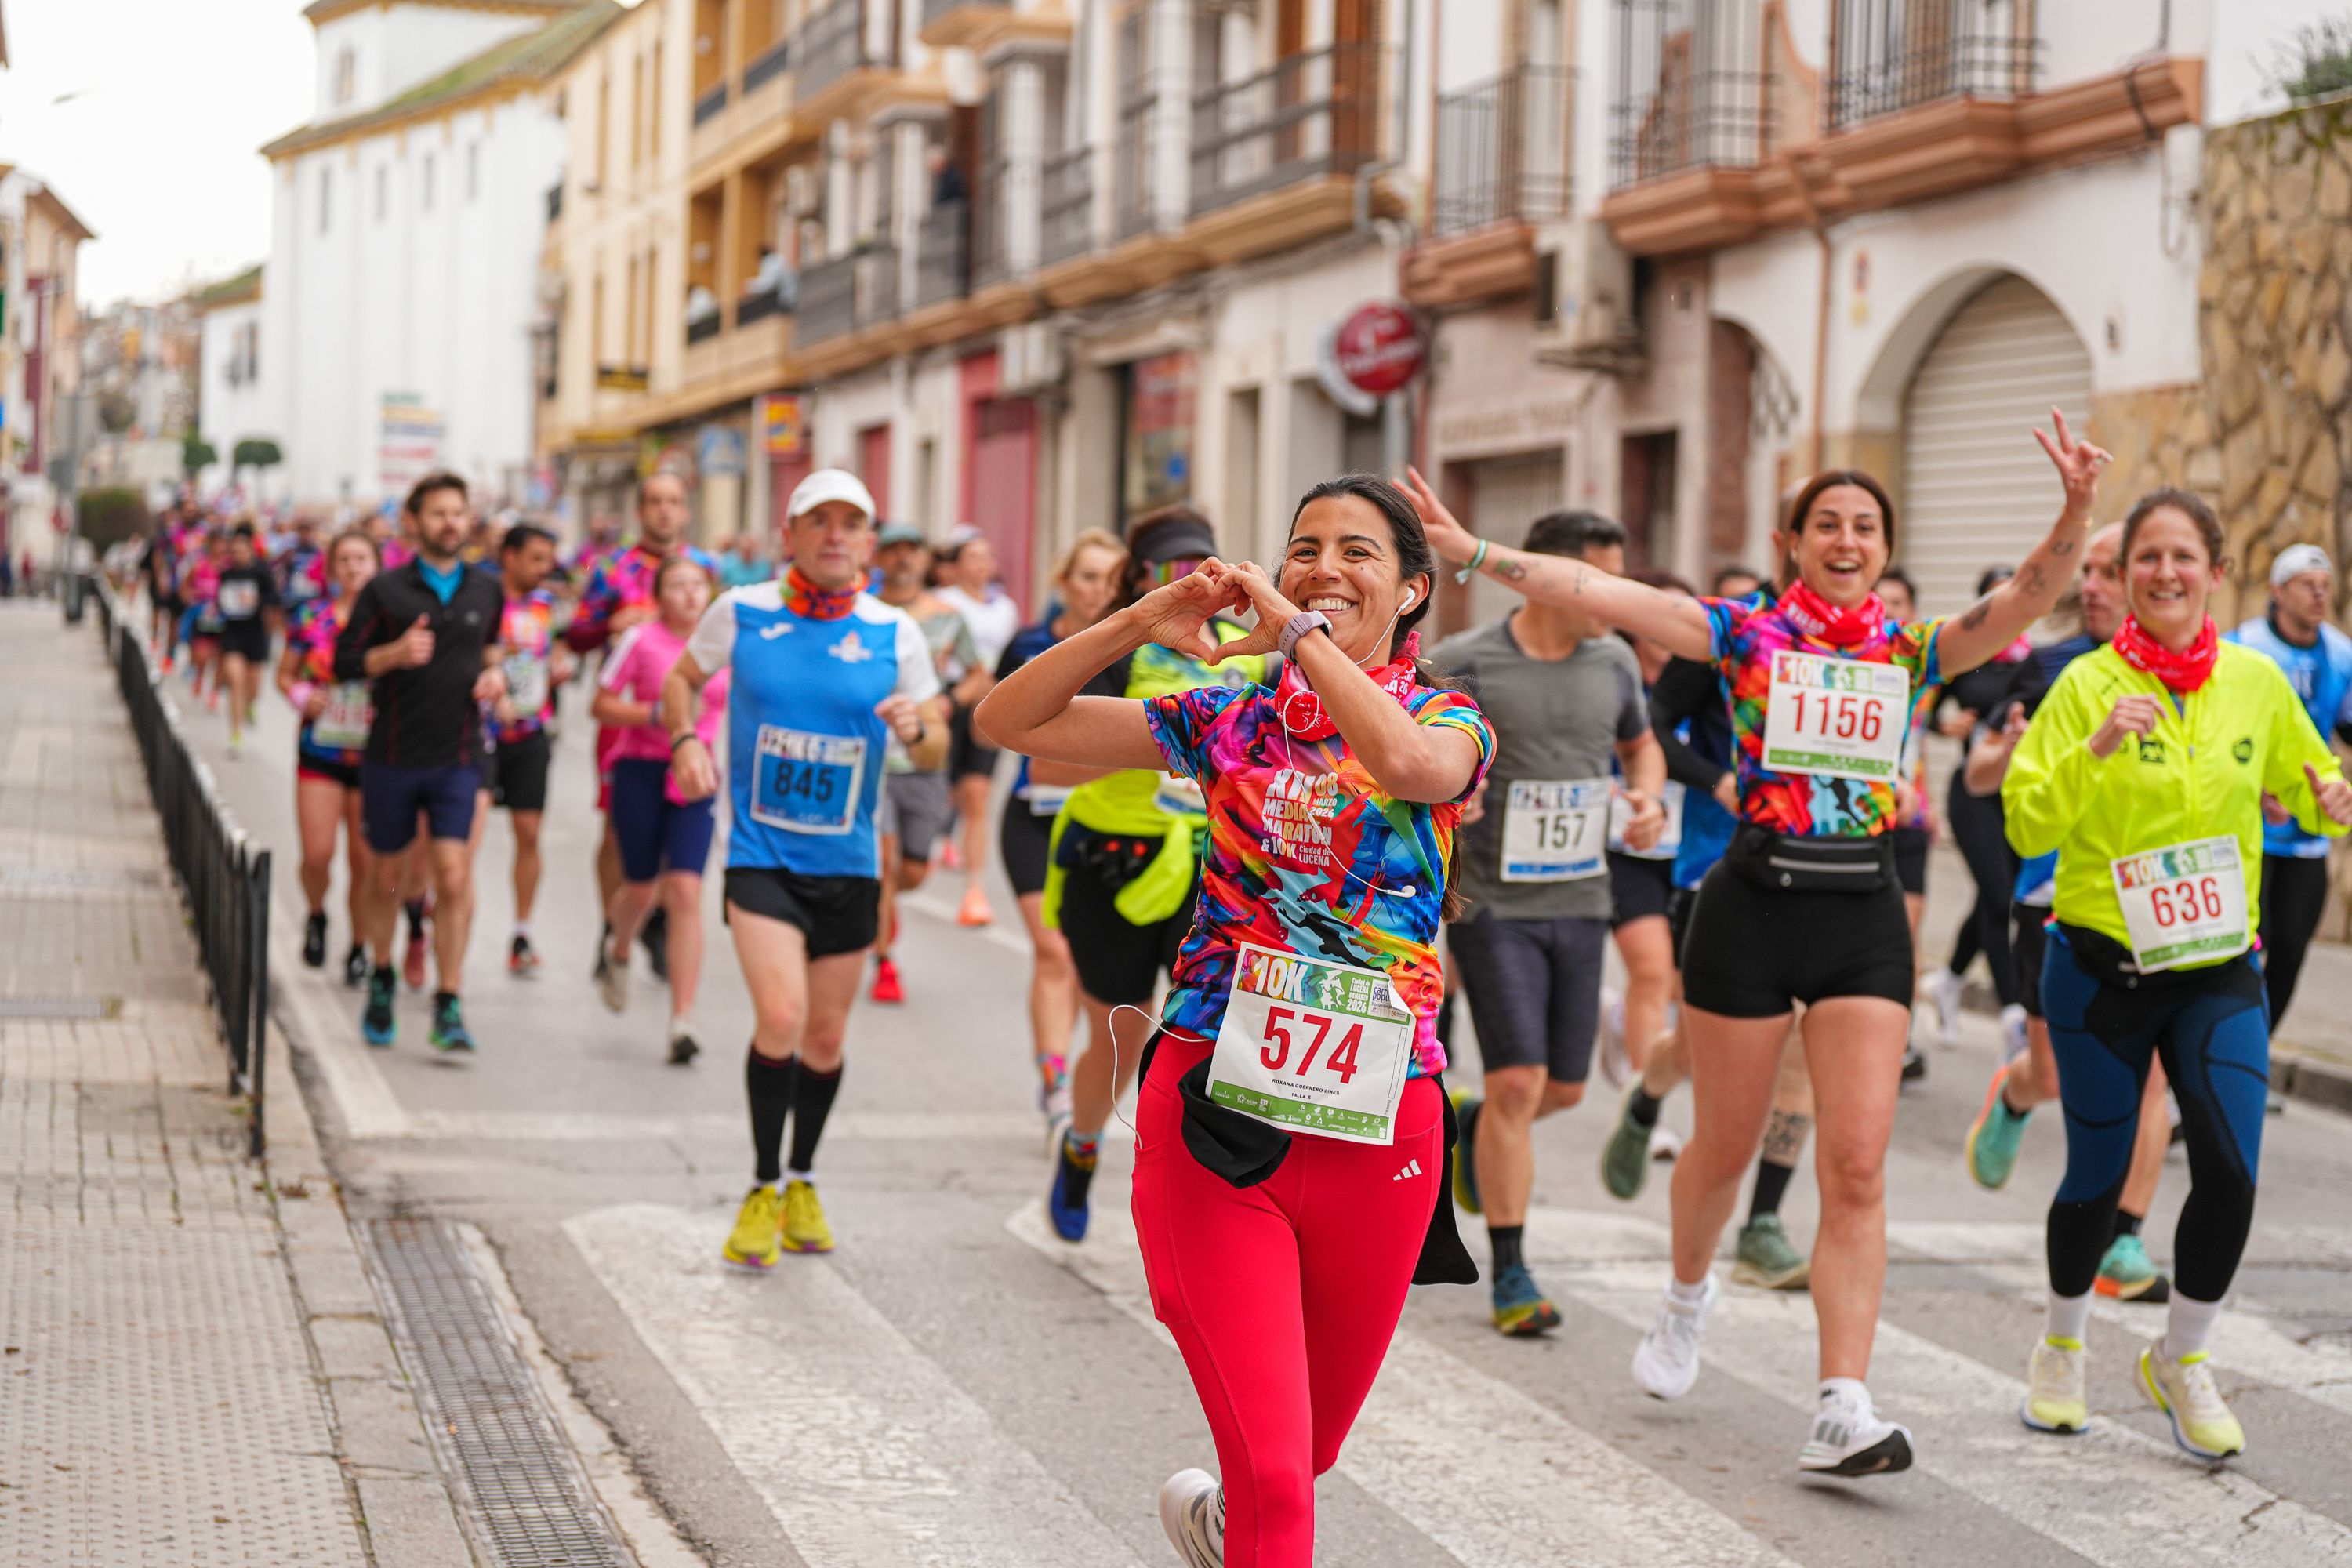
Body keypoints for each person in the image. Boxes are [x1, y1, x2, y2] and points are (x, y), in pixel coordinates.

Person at [1410, 409, 2107, 1477]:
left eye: (1865, 527)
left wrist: (2076, 508)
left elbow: (2025, 598)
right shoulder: (1743, 633)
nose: (1845, 540)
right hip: (1751, 907)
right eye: (1824, 523)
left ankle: (1843, 1404)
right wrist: (1474, 556)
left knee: (1858, 1164)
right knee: (1724, 1150)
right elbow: (1606, 595)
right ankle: (1686, 1297)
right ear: (1792, 544)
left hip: (1863, 916)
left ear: (1883, 550)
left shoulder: (1911, 646)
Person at [977, 474, 1491, 1568]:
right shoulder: (1227, 714)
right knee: (1275, 1482)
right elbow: (1008, 722)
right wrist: (1134, 622)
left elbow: (1405, 767)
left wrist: (1296, 637)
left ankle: (1224, 1529)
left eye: (1359, 552)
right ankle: (1246, 1519)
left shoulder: (1449, 719)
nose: (1323, 568)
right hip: (1219, 1114)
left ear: (1412, 591)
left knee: (1301, 1457)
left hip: (1380, 1123)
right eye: (1305, 548)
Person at [2002, 488, 2352, 1459]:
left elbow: (2313, 791)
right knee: (2097, 1174)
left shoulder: (2254, 684)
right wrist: (2098, 746)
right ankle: (2064, 1341)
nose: (2162, 574)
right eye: (2142, 558)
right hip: (2100, 968)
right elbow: (2027, 822)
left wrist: (2329, 796)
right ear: (2119, 577)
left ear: (2216, 570)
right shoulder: (2083, 688)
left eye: (2181, 557)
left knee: (2233, 1173)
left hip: (2217, 969)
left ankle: (2183, 1356)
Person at [663, 470, 947, 1265]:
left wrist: (917, 725)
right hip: (761, 856)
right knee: (781, 1019)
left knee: (824, 1035)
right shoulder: (743, 610)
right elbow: (681, 680)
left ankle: (802, 1176)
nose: (833, 534)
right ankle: (759, 1186)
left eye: (849, 522)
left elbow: (934, 745)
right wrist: (686, 740)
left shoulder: (896, 632)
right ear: (788, 535)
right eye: (816, 520)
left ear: (867, 540)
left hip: (851, 864)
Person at [1428, 510, 1665, 1338]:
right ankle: (1513, 1268)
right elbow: (1411, 757)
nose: (1612, 594)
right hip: (1494, 907)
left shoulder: (1615, 661)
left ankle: (1472, 1129)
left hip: (1582, 900)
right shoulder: (1465, 663)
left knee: (1559, 1089)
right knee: (1519, 1083)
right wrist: (1452, 793)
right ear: (1550, 575)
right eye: (1599, 577)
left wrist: (1648, 795)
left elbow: (1640, 747)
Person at [1031, 507, 1276, 1243]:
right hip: (1112, 862)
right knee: (1118, 1036)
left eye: (1202, 563)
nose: (1191, 579)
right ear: (1142, 577)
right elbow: (1044, 762)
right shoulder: (1113, 642)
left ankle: (1183, 1189)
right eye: (1171, 567)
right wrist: (1170, 738)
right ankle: (1080, 1144)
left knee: (1204, 1035)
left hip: (1214, 865)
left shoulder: (1249, 648)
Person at [1958, 524, 2180, 1304]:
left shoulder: (2193, 676)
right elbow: (1981, 774)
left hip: (2154, 902)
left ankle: (2123, 1238)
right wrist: (2010, 750)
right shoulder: (2046, 667)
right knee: (2055, 1074)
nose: (2090, 584)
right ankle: (2015, 1092)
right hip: (2054, 902)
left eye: (2107, 570)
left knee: (2153, 1078)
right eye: (2085, 570)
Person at [1599, 561, 1818, 1294]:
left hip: (1825, 874)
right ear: (1794, 545)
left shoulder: (1867, 647)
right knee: (1699, 1045)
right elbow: (1656, 723)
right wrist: (1716, 776)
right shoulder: (1734, 636)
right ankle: (1650, 1091)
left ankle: (1763, 1224)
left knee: (1799, 1050)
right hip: (1718, 867)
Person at [334, 472, 509, 1054]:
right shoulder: (385, 590)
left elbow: (493, 648)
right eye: (439, 514)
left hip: (459, 755)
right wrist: (393, 654)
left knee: (454, 876)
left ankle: (449, 1000)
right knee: (387, 878)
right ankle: (382, 975)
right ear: (414, 521)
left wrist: (495, 675)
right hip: (392, 755)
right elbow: (346, 662)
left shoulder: (487, 588)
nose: (451, 524)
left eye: (458, 513)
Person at [993, 530, 1127, 1115]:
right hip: (1034, 818)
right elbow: (990, 719)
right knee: (1054, 954)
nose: (1098, 589)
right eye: (1087, 576)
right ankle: (1053, 1079)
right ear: (1064, 583)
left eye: (1109, 578)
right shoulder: (1028, 642)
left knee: (1088, 962)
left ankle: (1085, 1078)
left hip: (1108, 827)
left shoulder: (1140, 654)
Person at [569, 472, 719, 987]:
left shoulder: (706, 568)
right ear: (639, 510)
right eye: (654, 502)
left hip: (693, 721)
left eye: (673, 502)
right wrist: (610, 625)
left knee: (677, 838)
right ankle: (613, 926)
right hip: (632, 712)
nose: (663, 512)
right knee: (619, 831)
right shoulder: (612, 568)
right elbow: (579, 632)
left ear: (686, 510)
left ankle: (657, 923)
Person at [593, 557, 730, 1064]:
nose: (691, 595)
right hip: (641, 769)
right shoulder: (640, 640)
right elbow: (601, 703)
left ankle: (682, 1020)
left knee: (687, 891)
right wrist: (653, 713)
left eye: (698, 585)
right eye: (678, 586)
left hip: (697, 775)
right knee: (641, 887)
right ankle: (620, 948)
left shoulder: (724, 648)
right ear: (659, 596)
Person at [2224, 542, 2352, 1030]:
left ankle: (2255, 1054)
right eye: (2307, 586)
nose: (2320, 596)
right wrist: (2256, 790)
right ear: (2278, 591)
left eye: (2326, 587)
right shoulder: (2243, 647)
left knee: (2291, 951)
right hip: (2249, 826)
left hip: (2307, 832)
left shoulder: (2340, 654)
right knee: (2249, 943)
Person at [1921, 566, 2030, 1056]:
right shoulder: (1966, 658)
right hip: (1973, 794)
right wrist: (1948, 728)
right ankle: (2013, 1017)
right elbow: (1917, 713)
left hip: (2020, 798)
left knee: (1996, 898)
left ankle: (1949, 980)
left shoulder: (2036, 664)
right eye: (1995, 599)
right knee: (1999, 896)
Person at [868, 522, 978, 1004]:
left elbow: (980, 674)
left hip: (926, 756)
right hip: (874, 756)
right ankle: (884, 962)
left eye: (911, 551)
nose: (902, 560)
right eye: (893, 551)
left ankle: (885, 900)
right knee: (885, 861)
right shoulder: (864, 614)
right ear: (879, 558)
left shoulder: (947, 617)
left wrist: (949, 700)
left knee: (912, 869)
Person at [279, 528, 382, 985]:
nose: (354, 567)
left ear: (377, 565)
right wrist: (303, 695)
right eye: (345, 559)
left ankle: (359, 944)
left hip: (374, 756)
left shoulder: (391, 621)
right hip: (320, 750)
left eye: (363, 559)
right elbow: (285, 675)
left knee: (364, 861)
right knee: (318, 854)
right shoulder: (311, 616)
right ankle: (317, 913)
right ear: (332, 567)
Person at [488, 524, 573, 975]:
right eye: (536, 559)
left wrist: (559, 667)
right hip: (479, 733)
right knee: (458, 837)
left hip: (531, 731)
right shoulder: (482, 598)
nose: (545, 569)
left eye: (549, 560)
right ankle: (433, 906)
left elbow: (554, 650)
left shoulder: (546, 606)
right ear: (510, 557)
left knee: (528, 833)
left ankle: (522, 931)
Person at [935, 528, 1022, 925]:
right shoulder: (944, 603)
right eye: (972, 557)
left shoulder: (1005, 609)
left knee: (977, 792)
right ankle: (938, 837)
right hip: (951, 698)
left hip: (990, 703)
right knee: (949, 787)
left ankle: (974, 889)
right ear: (955, 565)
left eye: (987, 556)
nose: (982, 564)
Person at [1873, 567, 1936, 1083]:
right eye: (1882, 600)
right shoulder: (1850, 662)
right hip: (1864, 814)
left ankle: (1900, 1038)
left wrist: (1926, 795)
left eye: (1900, 602)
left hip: (1911, 816)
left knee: (1907, 933)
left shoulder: (1923, 672)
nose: (1891, 609)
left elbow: (1923, 740)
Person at [213, 524, 281, 758]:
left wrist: (257, 600)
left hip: (256, 635)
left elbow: (275, 598)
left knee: (253, 688)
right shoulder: (225, 574)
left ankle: (249, 705)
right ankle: (235, 733)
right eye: (235, 551)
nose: (239, 555)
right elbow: (219, 602)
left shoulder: (261, 573)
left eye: (243, 550)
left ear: (251, 551)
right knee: (235, 681)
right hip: (232, 634)